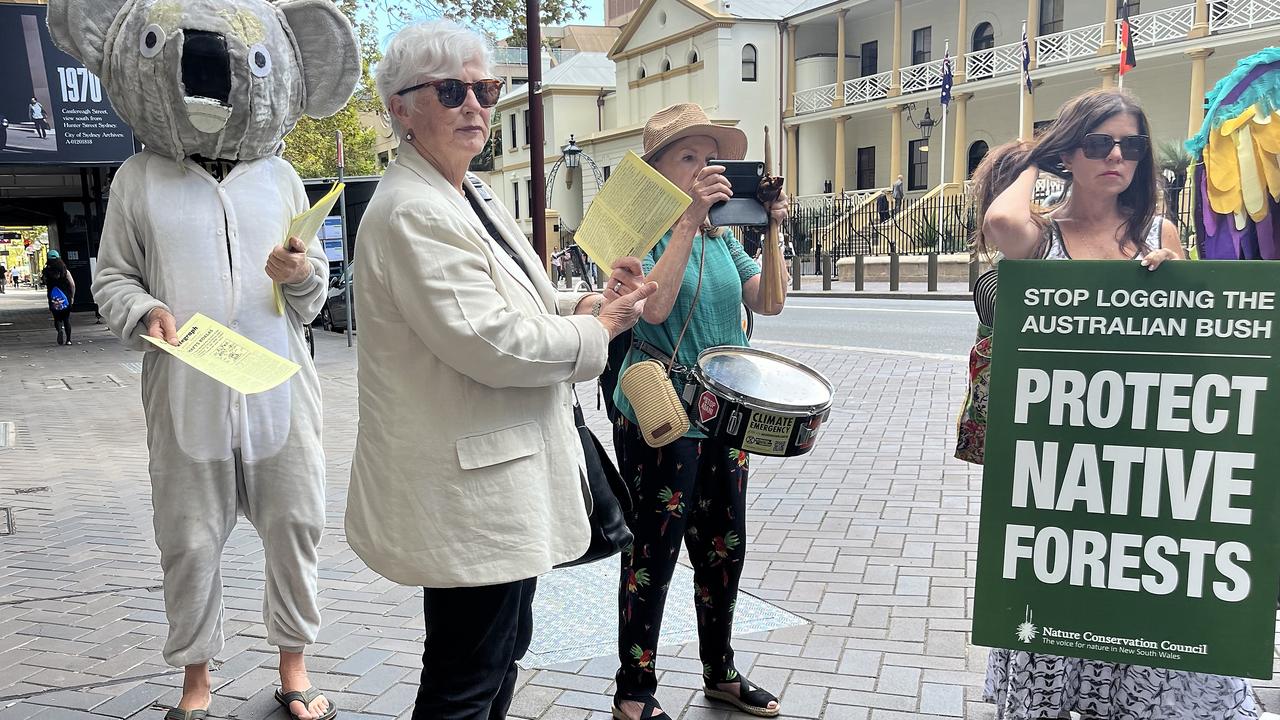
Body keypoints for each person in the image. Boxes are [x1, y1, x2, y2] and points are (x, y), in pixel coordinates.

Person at [58, 0, 364, 716]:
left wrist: (304, 277)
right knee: (189, 543)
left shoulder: (281, 177)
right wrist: (143, 312)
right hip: (186, 393)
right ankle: (196, 680)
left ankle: (294, 669)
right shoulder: (138, 178)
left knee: (294, 528)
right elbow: (110, 277)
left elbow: (312, 295)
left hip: (280, 394)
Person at [343, 21, 656, 720]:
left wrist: (588, 301)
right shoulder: (412, 210)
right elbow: (488, 340)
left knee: (499, 650)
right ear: (401, 107)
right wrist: (595, 330)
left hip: (497, 479)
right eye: (451, 91)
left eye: (486, 88)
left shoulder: (466, 193)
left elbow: (520, 293)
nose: (476, 106)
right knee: (466, 676)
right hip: (470, 493)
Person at [975, 88, 1257, 719]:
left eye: (1130, 146)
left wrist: (1177, 276)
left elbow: (1193, 347)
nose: (1117, 157)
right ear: (1068, 154)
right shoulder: (1041, 239)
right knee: (1061, 608)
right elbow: (999, 224)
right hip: (1060, 464)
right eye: (1099, 143)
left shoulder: (1161, 232)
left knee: (1142, 614)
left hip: (1146, 458)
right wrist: (1036, 159)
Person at [608, 103, 789, 720]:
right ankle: (634, 689)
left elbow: (768, 302)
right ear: (656, 168)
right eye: (688, 156)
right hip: (662, 407)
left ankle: (721, 671)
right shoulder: (635, 231)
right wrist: (687, 218)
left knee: (723, 545)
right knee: (654, 550)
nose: (704, 168)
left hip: (723, 410)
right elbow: (651, 311)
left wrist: (772, 231)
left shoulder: (723, 235)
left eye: (710, 157)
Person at [42, 251, 75, 345]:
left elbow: (44, 282)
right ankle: (68, 340)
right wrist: (72, 296)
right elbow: (72, 284)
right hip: (65, 296)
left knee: (56, 317)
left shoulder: (46, 271)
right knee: (66, 319)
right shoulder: (65, 271)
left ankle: (59, 330)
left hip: (53, 297)